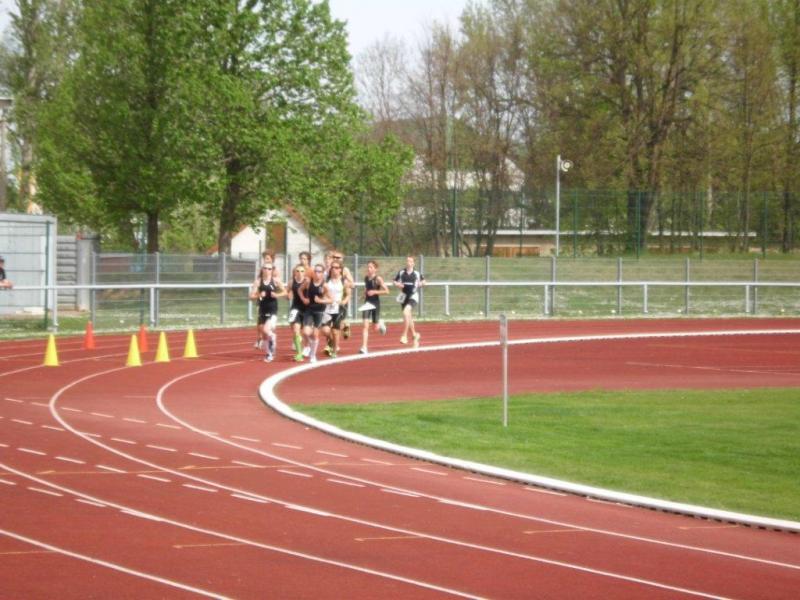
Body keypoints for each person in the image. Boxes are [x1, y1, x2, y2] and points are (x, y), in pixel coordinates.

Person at [249, 263, 286, 362]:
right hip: (262, 309)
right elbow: (251, 296)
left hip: (272, 309)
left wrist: (277, 295)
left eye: (269, 269)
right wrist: (259, 295)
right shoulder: (258, 282)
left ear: (272, 270)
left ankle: (272, 336)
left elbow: (285, 292)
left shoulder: (276, 281)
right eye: (265, 268)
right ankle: (269, 354)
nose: (267, 270)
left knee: (266, 330)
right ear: (262, 269)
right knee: (264, 334)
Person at [300, 263, 332, 363]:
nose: (317, 273)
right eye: (316, 271)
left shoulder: (324, 285)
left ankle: (313, 356)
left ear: (322, 273)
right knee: (306, 332)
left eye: (319, 271)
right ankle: (309, 346)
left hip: (319, 311)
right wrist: (304, 299)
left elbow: (331, 300)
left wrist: (321, 301)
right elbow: (299, 290)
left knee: (315, 334)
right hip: (309, 310)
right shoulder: (308, 282)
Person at [321, 260, 350, 358]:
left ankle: (334, 351)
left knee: (335, 331)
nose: (334, 269)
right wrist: (324, 298)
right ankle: (331, 341)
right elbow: (322, 292)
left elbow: (348, 295)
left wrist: (344, 301)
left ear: (340, 269)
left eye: (337, 268)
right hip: (327, 308)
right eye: (332, 267)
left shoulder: (344, 281)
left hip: (338, 309)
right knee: (325, 330)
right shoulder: (326, 280)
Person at [394, 255, 425, 348]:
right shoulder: (401, 272)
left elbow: (424, 281)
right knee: (408, 317)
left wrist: (420, 284)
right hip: (404, 296)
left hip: (413, 296)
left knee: (406, 312)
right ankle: (415, 335)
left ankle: (404, 335)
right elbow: (395, 281)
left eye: (410, 261)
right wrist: (398, 284)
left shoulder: (416, 273)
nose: (408, 263)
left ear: (413, 263)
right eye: (407, 261)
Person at [359, 260, 388, 354]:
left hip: (375, 303)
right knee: (365, 326)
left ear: (375, 269)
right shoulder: (366, 278)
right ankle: (364, 347)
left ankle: (380, 323)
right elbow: (366, 289)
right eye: (368, 267)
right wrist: (363, 295)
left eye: (371, 267)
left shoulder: (378, 279)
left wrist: (375, 292)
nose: (369, 269)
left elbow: (387, 291)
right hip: (367, 303)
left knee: (375, 327)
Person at [253, 249, 277, 349]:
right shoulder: (262, 269)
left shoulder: (274, 271)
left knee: (269, 324)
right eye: (264, 258)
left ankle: (268, 337)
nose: (266, 260)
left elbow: (277, 283)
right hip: (261, 298)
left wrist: (276, 294)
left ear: (272, 259)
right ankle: (259, 337)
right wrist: (258, 294)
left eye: (267, 258)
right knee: (260, 320)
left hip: (270, 300)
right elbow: (258, 281)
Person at [287, 263, 309, 361]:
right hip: (295, 308)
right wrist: (288, 295)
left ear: (305, 273)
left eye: (302, 271)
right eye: (298, 271)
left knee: (305, 331)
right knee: (295, 329)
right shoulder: (291, 282)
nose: (300, 273)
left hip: (307, 309)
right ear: (295, 272)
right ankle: (299, 354)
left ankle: (307, 346)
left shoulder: (307, 282)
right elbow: (287, 292)